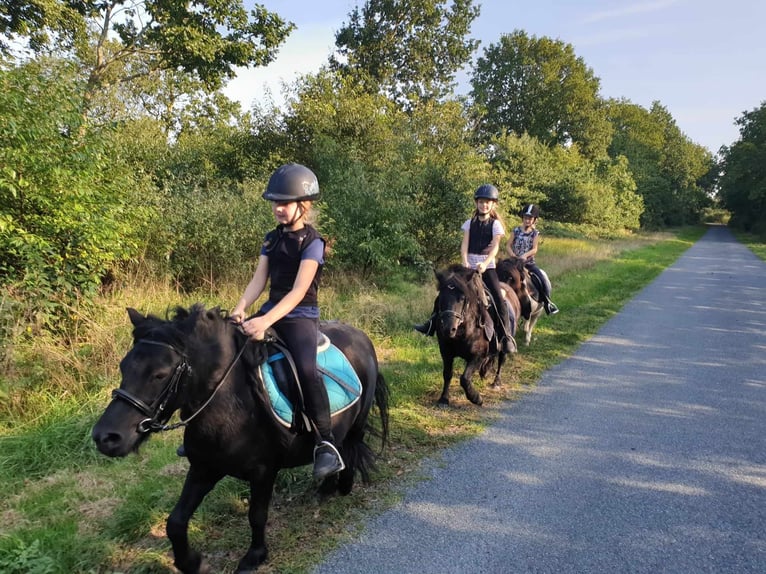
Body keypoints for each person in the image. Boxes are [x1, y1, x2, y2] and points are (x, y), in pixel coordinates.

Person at [230, 163, 344, 481]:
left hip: (300, 317)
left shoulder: (313, 243)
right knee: (229, 351)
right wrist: (240, 308)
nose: (278, 209)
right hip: (269, 311)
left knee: (307, 370)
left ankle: (326, 444)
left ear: (302, 205)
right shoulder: (271, 239)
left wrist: (265, 320)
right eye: (275, 203)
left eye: (285, 203)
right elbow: (258, 281)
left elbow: (297, 292)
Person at [415, 184, 515, 354]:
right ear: (477, 203)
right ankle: (431, 324)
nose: (484, 205)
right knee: (446, 292)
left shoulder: (496, 225)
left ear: (493, 205)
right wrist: (464, 260)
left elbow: (496, 247)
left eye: (487, 202)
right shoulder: (469, 223)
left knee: (498, 298)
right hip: (468, 266)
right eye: (481, 202)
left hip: (487, 267)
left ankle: (506, 337)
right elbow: (464, 245)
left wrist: (485, 263)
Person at [507, 204, 559, 315]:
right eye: (525, 218)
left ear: (534, 220)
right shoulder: (515, 231)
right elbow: (508, 245)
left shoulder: (535, 233)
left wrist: (525, 256)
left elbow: (534, 249)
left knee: (543, 280)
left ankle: (547, 303)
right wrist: (512, 255)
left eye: (530, 218)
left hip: (528, 264)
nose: (527, 220)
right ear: (522, 218)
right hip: (514, 263)